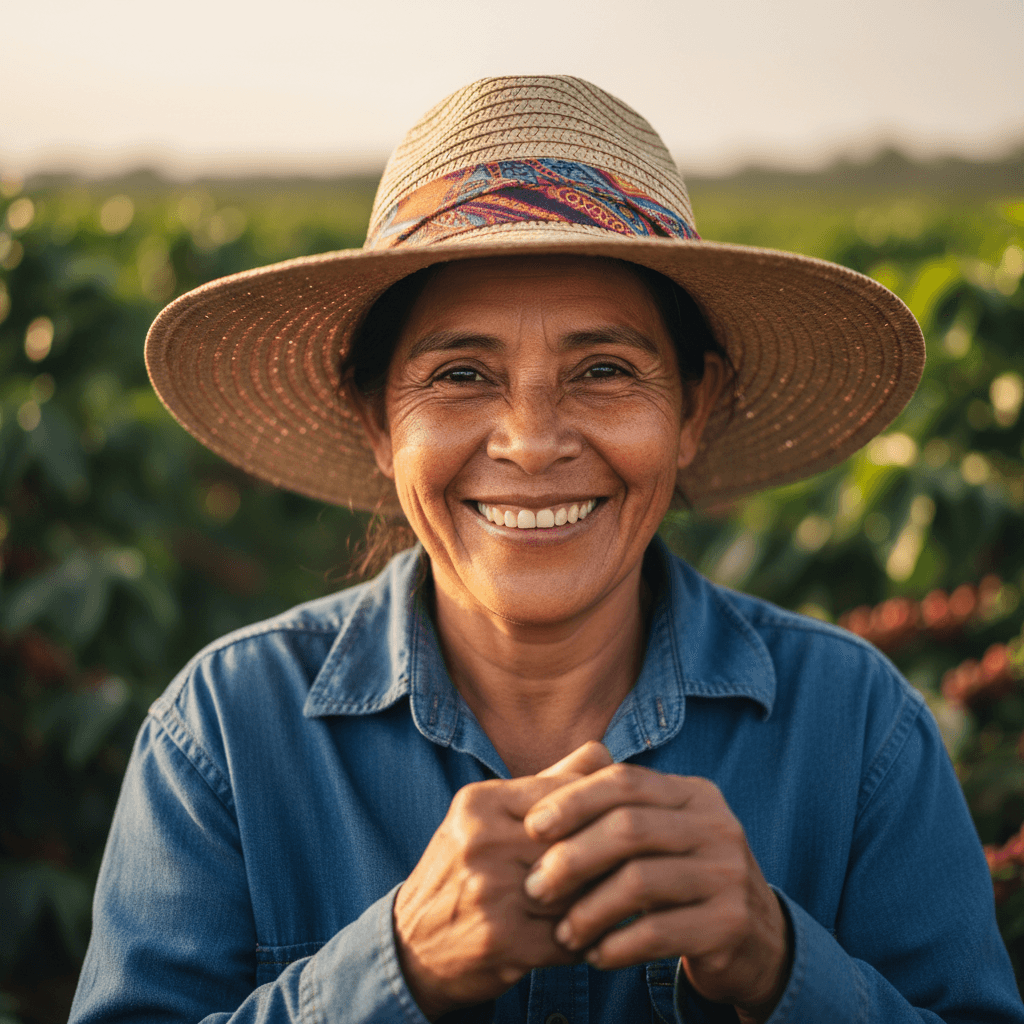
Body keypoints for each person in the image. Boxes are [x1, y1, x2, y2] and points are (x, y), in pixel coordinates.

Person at [69, 76, 1024, 1024]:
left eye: (605, 370)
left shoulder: (858, 728)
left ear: (693, 409)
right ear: (377, 422)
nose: (531, 440)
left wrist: (779, 963)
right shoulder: (226, 734)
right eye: (461, 374)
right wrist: (394, 969)